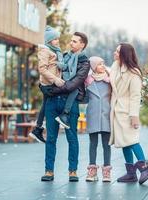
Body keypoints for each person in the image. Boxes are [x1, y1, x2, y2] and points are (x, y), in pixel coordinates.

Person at [40, 32, 90, 182]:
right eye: (71, 41)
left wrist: (52, 89)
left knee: (72, 138)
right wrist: (43, 87)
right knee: (51, 138)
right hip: (52, 102)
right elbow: (48, 74)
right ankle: (49, 171)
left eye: (75, 41)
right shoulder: (62, 56)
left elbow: (73, 84)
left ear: (82, 44)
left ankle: (73, 171)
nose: (71, 43)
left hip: (70, 103)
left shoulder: (84, 62)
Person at [109, 43, 148, 185]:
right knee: (125, 142)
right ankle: (131, 173)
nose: (114, 53)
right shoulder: (115, 67)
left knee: (132, 140)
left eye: (117, 51)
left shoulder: (134, 73)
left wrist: (134, 116)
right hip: (117, 110)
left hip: (128, 112)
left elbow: (136, 96)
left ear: (124, 54)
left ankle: (145, 169)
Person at [29, 26, 65, 143]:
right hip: (49, 83)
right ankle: (61, 119)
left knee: (45, 105)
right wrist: (55, 80)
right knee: (50, 105)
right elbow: (42, 69)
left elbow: (54, 66)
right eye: (55, 39)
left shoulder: (55, 50)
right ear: (49, 40)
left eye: (57, 39)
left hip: (51, 82)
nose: (57, 41)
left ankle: (38, 129)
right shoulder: (45, 50)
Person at [84, 56, 112, 182]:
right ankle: (92, 171)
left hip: (107, 114)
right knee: (93, 144)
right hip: (93, 114)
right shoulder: (88, 81)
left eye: (103, 63)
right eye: (100, 64)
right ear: (94, 67)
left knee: (106, 144)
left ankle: (106, 171)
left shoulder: (109, 81)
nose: (103, 66)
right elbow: (84, 98)